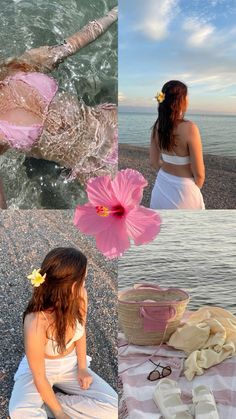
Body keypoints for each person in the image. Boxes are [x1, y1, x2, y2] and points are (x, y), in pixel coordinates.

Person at [0, 7, 118, 208]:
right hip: (96, 169)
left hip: (108, 120)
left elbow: (75, 42)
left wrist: (115, 13)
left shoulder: (17, 66)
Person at [9, 247, 117, 418]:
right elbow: (39, 376)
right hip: (41, 370)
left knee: (113, 408)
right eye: (83, 278)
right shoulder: (36, 321)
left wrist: (82, 367)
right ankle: (53, 405)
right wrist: (60, 414)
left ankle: (49, 403)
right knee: (20, 412)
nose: (84, 282)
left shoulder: (80, 296)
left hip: (71, 365)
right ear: (72, 284)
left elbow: (81, 332)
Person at [150, 80, 205, 209]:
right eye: (187, 97)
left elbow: (153, 162)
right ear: (181, 101)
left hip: (161, 186)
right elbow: (200, 174)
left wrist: (168, 176)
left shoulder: (157, 126)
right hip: (185, 190)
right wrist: (192, 188)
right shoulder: (190, 128)